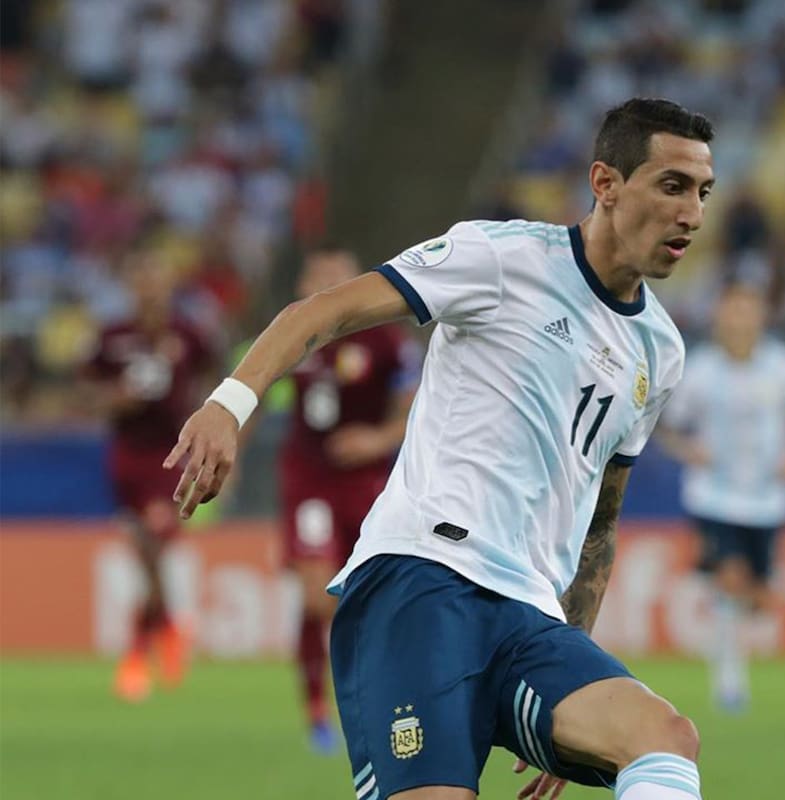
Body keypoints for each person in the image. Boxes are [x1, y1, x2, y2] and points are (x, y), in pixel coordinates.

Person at [166, 98, 715, 800]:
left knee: (665, 739)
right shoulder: (502, 257)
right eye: (672, 186)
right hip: (423, 584)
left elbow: (600, 525)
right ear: (605, 184)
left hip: (530, 621)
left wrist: (576, 667)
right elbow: (323, 310)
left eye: (702, 193)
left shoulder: (660, 352)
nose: (692, 215)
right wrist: (227, 406)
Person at [280, 245, 417, 753]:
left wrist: (377, 440)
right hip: (309, 483)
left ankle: (372, 698)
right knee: (317, 597)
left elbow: (417, 407)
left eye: (336, 279)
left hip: (368, 486)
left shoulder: (387, 343)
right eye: (316, 277)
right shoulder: (290, 338)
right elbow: (255, 393)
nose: (325, 289)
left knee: (364, 597)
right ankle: (319, 708)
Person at [657, 282, 785, 713]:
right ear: (720, 318)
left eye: (748, 312)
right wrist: (689, 450)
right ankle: (729, 682)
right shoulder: (700, 370)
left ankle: (734, 638)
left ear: (761, 317)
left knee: (760, 599)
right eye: (732, 312)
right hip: (714, 496)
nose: (740, 321)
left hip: (768, 498)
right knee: (729, 577)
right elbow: (666, 424)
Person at [83, 249, 216, 702]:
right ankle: (167, 627)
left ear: (169, 287)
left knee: (156, 539)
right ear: (132, 288)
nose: (150, 289)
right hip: (126, 456)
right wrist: (113, 398)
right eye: (142, 281)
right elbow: (87, 391)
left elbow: (217, 375)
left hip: (171, 453)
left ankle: (139, 652)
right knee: (146, 554)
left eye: (157, 280)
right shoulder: (113, 336)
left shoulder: (188, 334)